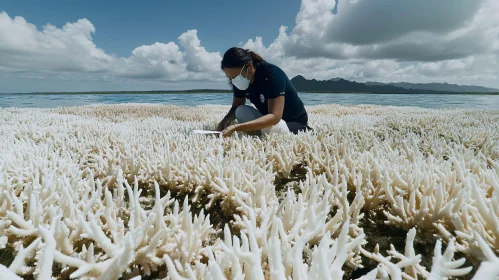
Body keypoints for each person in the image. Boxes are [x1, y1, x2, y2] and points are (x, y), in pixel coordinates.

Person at [216, 47, 310, 137]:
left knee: (275, 128)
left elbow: (275, 117)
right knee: (240, 110)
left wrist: (237, 127)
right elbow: (236, 107)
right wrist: (226, 120)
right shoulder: (239, 81)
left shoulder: (273, 74)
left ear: (249, 67)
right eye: (230, 78)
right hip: (267, 117)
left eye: (235, 76)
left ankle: (261, 129)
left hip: (292, 121)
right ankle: (259, 128)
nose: (233, 81)